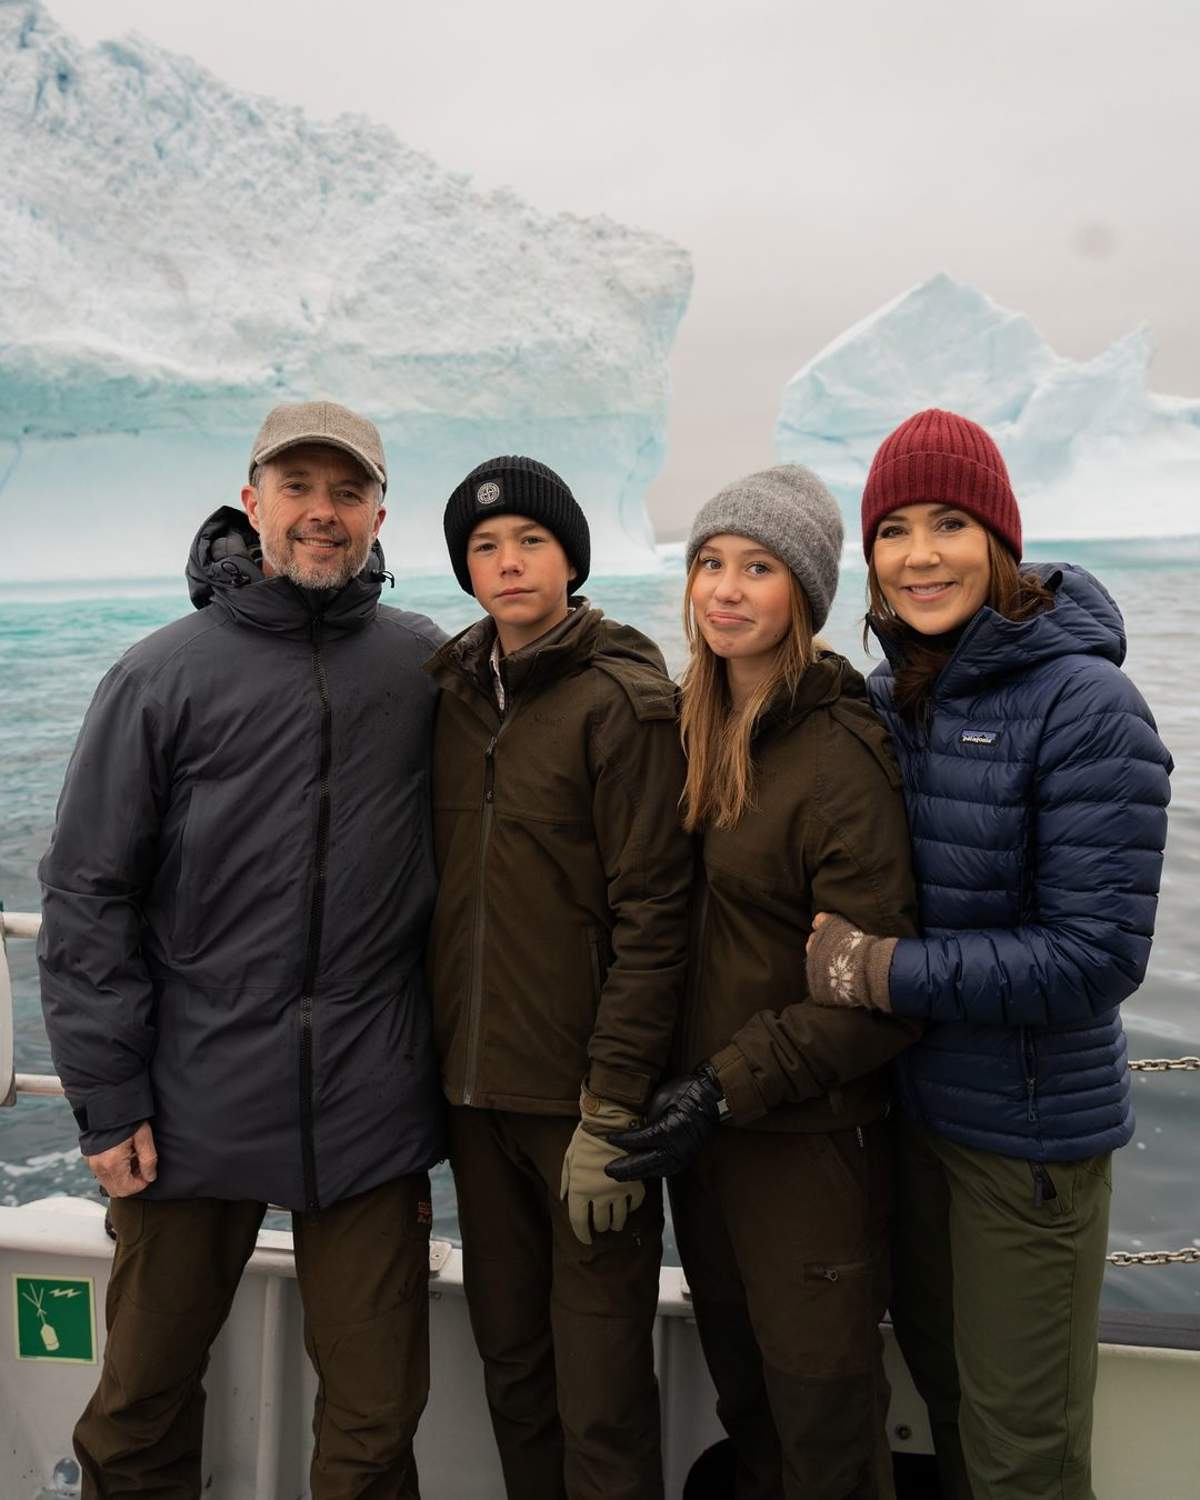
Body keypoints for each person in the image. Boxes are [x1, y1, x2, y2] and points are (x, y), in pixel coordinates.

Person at [38, 401, 447, 1500]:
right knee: (140, 1405)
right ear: (252, 499)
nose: (323, 514)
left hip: (369, 1097)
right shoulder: (161, 675)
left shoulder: (427, 669)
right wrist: (109, 1097)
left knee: (373, 1422)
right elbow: (88, 894)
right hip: (191, 1093)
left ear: (378, 512)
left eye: (347, 492)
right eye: (299, 488)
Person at [804, 409, 1174, 1500]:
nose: (921, 555)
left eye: (951, 524)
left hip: (1027, 1148)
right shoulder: (894, 700)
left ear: (1000, 540)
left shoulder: (1086, 705)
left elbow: (1096, 956)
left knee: (1023, 1457)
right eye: (895, 530)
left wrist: (878, 973)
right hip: (916, 1126)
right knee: (953, 1418)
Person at [609, 466, 922, 1500]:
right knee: (749, 1408)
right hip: (708, 1145)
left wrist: (723, 1085)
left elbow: (872, 993)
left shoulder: (837, 753)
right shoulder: (691, 727)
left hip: (804, 1148)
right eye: (710, 563)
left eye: (758, 567)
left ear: (805, 595)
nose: (726, 589)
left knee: (822, 1422)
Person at [424, 455, 692, 1500]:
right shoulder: (447, 693)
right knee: (514, 1371)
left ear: (571, 558)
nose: (508, 562)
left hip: (581, 1106)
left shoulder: (622, 702)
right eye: (485, 548)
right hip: (472, 1101)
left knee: (602, 1393)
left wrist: (615, 1103)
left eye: (530, 541)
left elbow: (654, 913)